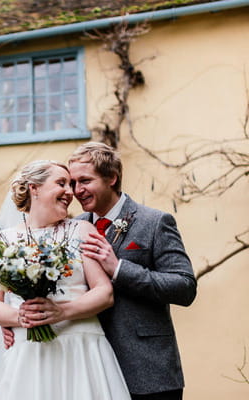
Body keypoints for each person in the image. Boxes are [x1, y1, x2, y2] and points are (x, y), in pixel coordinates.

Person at [0, 160, 131, 400]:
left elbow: (104, 293)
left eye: (71, 185)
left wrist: (62, 312)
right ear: (34, 188)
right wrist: (21, 317)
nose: (70, 192)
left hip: (81, 348)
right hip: (28, 352)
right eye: (61, 183)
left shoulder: (82, 230)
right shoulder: (1, 241)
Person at [68, 142, 197, 400]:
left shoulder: (154, 222)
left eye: (84, 181)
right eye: (72, 183)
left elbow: (184, 287)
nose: (76, 191)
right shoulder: (72, 227)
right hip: (88, 368)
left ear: (111, 178)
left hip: (147, 371)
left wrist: (119, 269)